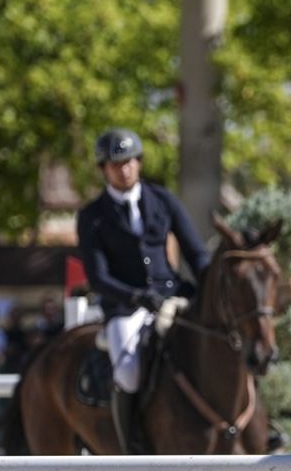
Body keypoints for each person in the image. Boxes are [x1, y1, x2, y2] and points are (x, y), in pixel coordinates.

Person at [76, 128, 211, 452]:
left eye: (130, 161)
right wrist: (135, 297)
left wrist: (208, 285)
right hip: (126, 306)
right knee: (128, 372)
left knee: (220, 342)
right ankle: (133, 440)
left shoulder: (163, 200)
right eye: (115, 164)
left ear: (138, 162)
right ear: (104, 170)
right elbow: (98, 277)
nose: (124, 169)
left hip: (172, 295)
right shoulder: (92, 216)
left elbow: (196, 252)